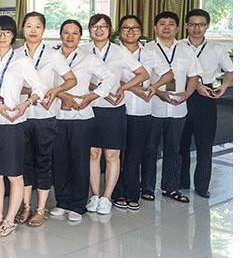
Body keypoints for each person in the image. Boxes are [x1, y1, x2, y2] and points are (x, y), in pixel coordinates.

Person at [0, 15, 46, 237]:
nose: (2, 36)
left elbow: (40, 88)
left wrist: (26, 103)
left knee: (15, 174)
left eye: (7, 32)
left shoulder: (21, 60)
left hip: (14, 123)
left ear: (13, 35)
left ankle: (9, 220)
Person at [48, 20, 117, 222]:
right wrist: (62, 95)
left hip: (82, 116)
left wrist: (93, 96)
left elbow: (110, 77)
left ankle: (78, 205)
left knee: (79, 161)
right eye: (66, 32)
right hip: (56, 115)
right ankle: (62, 202)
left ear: (80, 36)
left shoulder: (89, 58)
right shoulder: (51, 56)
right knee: (60, 161)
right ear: (60, 35)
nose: (70, 37)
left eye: (75, 33)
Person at [13, 12, 76, 227]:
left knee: (43, 162)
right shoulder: (15, 54)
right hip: (20, 116)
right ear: (22, 29)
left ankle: (40, 209)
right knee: (23, 163)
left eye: (37, 26)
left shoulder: (53, 55)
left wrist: (54, 91)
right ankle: (25, 206)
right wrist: (34, 90)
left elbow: (71, 80)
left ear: (43, 30)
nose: (33, 30)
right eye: (29, 26)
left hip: (45, 117)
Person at [84, 14, 149, 215]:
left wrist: (124, 88)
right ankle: (95, 195)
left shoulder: (119, 52)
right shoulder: (83, 50)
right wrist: (99, 89)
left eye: (103, 26)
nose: (99, 30)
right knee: (93, 153)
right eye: (95, 26)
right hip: (90, 107)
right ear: (90, 30)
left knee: (112, 155)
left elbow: (143, 73)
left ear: (110, 30)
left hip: (113, 110)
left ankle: (107, 196)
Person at [112, 14, 173, 211]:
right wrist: (134, 88)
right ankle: (117, 192)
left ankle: (132, 194)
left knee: (135, 153)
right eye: (126, 28)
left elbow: (168, 74)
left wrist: (154, 87)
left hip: (142, 109)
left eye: (135, 28)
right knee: (116, 154)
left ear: (141, 31)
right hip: (117, 107)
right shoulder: (113, 52)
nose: (130, 32)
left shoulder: (150, 53)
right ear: (120, 31)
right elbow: (105, 78)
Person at [144, 11, 203, 203]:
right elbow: (142, 77)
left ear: (177, 28)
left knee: (174, 150)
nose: (166, 27)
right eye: (162, 23)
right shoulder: (147, 49)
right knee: (150, 149)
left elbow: (193, 76)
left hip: (179, 108)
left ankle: (170, 187)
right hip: (153, 107)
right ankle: (147, 187)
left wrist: (186, 95)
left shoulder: (186, 50)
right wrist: (159, 93)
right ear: (155, 27)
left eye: (171, 23)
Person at [178, 8, 233, 198]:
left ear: (207, 26)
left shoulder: (216, 48)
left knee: (205, 144)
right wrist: (195, 85)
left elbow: (230, 71)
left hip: (206, 98)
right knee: (181, 143)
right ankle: (181, 182)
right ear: (186, 25)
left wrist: (223, 87)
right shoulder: (178, 46)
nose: (197, 28)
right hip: (182, 94)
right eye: (193, 24)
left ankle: (202, 186)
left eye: (201, 24)